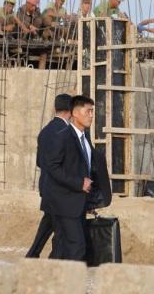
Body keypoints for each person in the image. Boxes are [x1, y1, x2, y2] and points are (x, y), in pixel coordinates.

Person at [42, 95, 109, 261]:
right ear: (75, 113)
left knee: (61, 248)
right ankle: (72, 285)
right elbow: (52, 167)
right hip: (63, 202)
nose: (92, 115)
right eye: (88, 111)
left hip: (77, 203)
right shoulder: (62, 136)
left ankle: (50, 282)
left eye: (92, 111)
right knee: (77, 247)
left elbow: (85, 168)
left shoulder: (85, 137)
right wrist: (79, 183)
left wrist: (90, 200)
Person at [25, 93, 72, 258]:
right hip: (59, 188)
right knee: (61, 229)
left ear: (55, 108)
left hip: (46, 186)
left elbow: (39, 161)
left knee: (49, 223)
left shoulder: (45, 131)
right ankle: (53, 261)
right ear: (71, 111)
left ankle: (32, 255)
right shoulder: (67, 132)